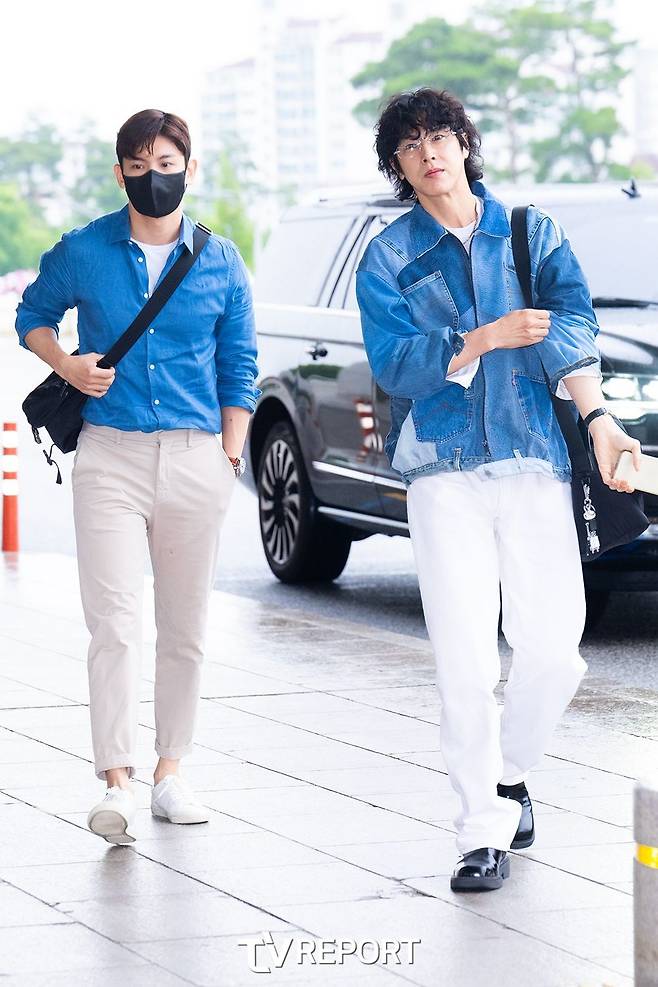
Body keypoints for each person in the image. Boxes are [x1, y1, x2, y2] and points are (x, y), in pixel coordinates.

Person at [356, 88, 640, 892]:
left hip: (533, 456)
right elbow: (394, 363)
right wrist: (480, 338)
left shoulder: (527, 230)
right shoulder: (388, 256)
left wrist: (598, 418)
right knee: (465, 657)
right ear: (398, 165)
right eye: (410, 145)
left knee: (555, 649)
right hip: (441, 470)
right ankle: (480, 829)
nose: (429, 153)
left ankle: (509, 774)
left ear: (464, 141)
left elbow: (573, 324)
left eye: (439, 135)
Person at [15, 109, 260, 844]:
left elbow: (240, 366)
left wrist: (229, 458)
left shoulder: (222, 261)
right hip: (110, 456)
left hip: (196, 457)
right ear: (120, 172)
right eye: (139, 165)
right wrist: (67, 364)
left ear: (190, 168)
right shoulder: (85, 249)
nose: (155, 177)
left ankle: (171, 771)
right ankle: (116, 783)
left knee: (184, 627)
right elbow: (32, 314)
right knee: (114, 622)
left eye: (167, 164)